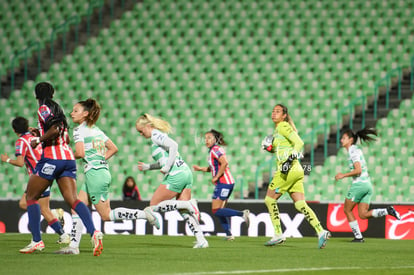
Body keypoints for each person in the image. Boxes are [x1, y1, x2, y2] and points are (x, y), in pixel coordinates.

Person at [56, 99, 158, 254]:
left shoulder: (78, 131)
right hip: (98, 172)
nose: (71, 113)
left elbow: (80, 153)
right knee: (76, 208)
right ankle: (73, 247)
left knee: (106, 215)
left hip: (95, 175)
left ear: (85, 114)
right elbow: (113, 148)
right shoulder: (96, 130)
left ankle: (144, 214)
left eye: (75, 111)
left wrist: (63, 155)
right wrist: (99, 160)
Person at [20, 82, 103, 256]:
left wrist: (39, 139)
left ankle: (36, 241)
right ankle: (94, 232)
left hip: (52, 158)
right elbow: (60, 131)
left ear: (36, 94)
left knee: (31, 197)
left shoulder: (43, 107)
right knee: (73, 199)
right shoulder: (58, 109)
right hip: (67, 158)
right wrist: (40, 132)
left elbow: (56, 129)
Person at [261, 104, 330, 249]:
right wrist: (270, 149)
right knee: (300, 204)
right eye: (273, 111)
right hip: (297, 170)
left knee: (269, 200)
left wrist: (288, 162)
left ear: (284, 115)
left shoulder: (283, 126)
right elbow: (284, 148)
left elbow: (299, 143)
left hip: (288, 170)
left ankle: (278, 234)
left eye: (278, 111)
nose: (274, 113)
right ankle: (321, 231)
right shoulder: (280, 129)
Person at [136, 113, 208, 248]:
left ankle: (189, 204)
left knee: (153, 206)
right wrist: (149, 166)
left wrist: (168, 167)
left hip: (176, 174)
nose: (140, 134)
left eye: (141, 131)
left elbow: (174, 146)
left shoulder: (156, 135)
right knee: (183, 210)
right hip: (185, 172)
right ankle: (201, 240)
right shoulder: (157, 138)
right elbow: (164, 160)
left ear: (148, 126)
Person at [1, 116, 69, 244]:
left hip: (38, 177)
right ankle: (62, 232)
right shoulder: (35, 137)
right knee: (38, 207)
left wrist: (7, 160)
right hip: (46, 173)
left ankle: (42, 238)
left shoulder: (21, 141)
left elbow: (20, 163)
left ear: (14, 130)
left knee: (33, 206)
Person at [335, 128, 401, 242]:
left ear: (351, 140)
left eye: (344, 138)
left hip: (359, 184)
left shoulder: (352, 151)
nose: (341, 140)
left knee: (347, 210)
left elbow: (358, 170)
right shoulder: (356, 149)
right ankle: (387, 211)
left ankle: (358, 237)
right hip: (368, 185)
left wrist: (343, 175)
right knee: (363, 214)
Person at [193, 129, 250, 240]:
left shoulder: (216, 149)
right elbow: (213, 168)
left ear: (215, 139)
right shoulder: (212, 151)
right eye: (205, 138)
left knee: (216, 210)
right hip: (224, 183)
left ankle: (242, 214)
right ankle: (229, 234)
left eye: (209, 138)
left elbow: (224, 163)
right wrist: (201, 169)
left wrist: (216, 177)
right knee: (220, 211)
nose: (206, 140)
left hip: (224, 182)